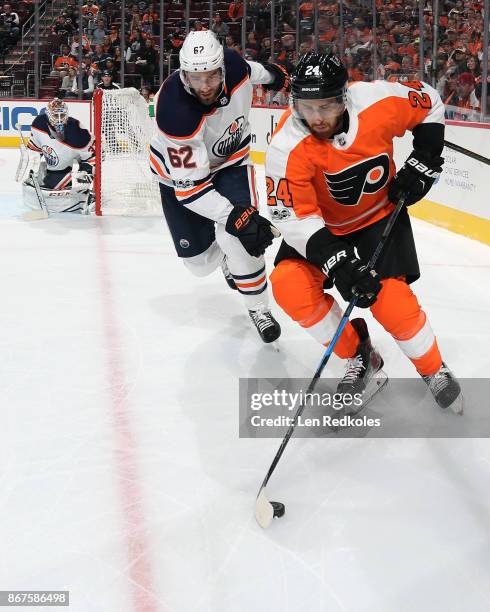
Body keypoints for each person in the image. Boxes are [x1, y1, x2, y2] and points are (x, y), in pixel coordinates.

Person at [265, 52, 462, 412]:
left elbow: (429, 101)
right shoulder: (285, 146)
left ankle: (434, 369)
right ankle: (359, 353)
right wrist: (337, 264)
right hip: (323, 229)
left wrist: (426, 158)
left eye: (326, 106)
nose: (317, 118)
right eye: (307, 108)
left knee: (391, 301)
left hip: (377, 216)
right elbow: (293, 217)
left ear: (344, 97)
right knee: (289, 285)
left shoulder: (377, 101)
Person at [150, 30, 290, 343]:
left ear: (222, 69)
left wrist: (276, 77)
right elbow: (190, 191)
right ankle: (225, 257)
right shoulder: (174, 112)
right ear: (184, 73)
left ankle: (259, 308)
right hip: (181, 180)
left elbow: (256, 72)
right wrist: (234, 216)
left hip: (230, 163)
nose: (204, 86)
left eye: (211, 77)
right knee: (199, 265)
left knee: (237, 238)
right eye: (196, 78)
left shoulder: (235, 66)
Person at [23, 99, 95, 213]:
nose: (60, 119)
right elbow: (34, 150)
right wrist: (33, 167)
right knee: (50, 185)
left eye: (62, 114)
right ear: (48, 114)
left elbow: (92, 157)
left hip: (73, 167)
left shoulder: (78, 131)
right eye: (56, 115)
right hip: (56, 169)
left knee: (85, 181)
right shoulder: (39, 124)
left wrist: (87, 174)